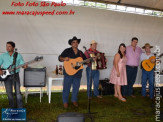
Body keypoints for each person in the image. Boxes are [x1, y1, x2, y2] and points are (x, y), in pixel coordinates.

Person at [58, 36, 87, 108]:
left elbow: (85, 61)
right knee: (66, 87)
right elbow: (60, 58)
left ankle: (74, 100)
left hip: (78, 73)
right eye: (74, 42)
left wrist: (91, 59)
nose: (75, 43)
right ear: (71, 43)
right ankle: (65, 101)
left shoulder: (80, 53)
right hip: (68, 72)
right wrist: (64, 58)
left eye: (77, 42)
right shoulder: (67, 50)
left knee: (76, 87)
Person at [0, 41, 27, 108]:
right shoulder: (3, 55)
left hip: (15, 75)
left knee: (18, 93)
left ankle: (20, 109)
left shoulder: (18, 55)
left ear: (13, 47)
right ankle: (11, 108)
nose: (7, 48)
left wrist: (24, 66)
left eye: (9, 46)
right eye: (6, 46)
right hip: (6, 76)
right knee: (9, 93)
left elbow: (22, 64)